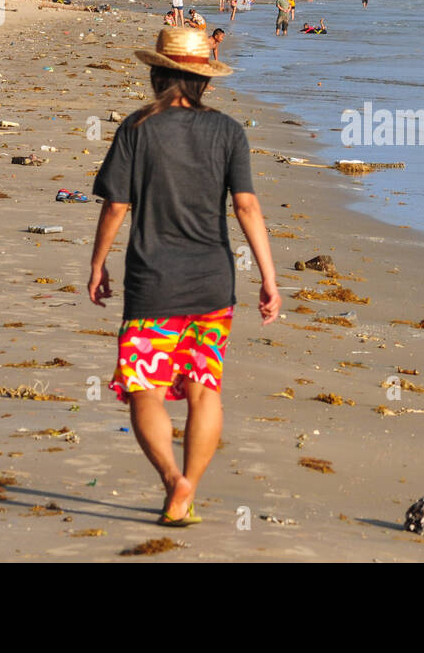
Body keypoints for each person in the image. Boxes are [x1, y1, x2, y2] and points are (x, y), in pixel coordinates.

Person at [89, 26, 281, 527]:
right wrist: (269, 277)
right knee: (204, 387)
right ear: (204, 83)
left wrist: (96, 264)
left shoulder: (136, 128)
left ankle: (174, 481)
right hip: (213, 283)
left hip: (153, 282)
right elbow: (246, 205)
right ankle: (190, 487)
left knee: (144, 388)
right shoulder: (229, 132)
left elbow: (117, 206)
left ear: (156, 73)